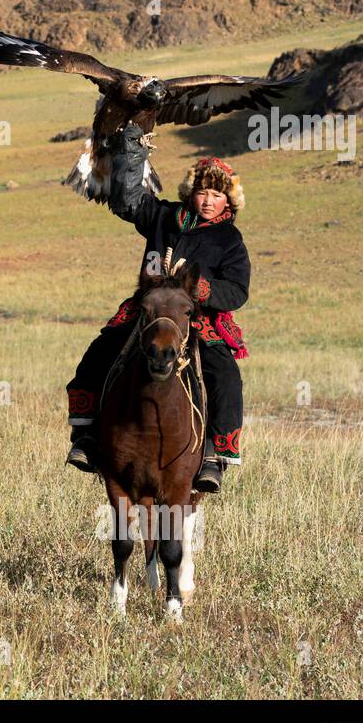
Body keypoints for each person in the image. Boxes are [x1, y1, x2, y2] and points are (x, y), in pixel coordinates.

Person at [65, 124, 249, 493]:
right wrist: (132, 151)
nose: (208, 200)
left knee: (224, 374)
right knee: (98, 354)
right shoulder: (163, 217)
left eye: (216, 194)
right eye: (201, 192)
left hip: (197, 319)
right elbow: (128, 201)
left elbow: (238, 290)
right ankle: (85, 436)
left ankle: (215, 454)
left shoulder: (229, 239)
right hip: (148, 311)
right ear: (190, 193)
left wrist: (201, 289)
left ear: (228, 201)